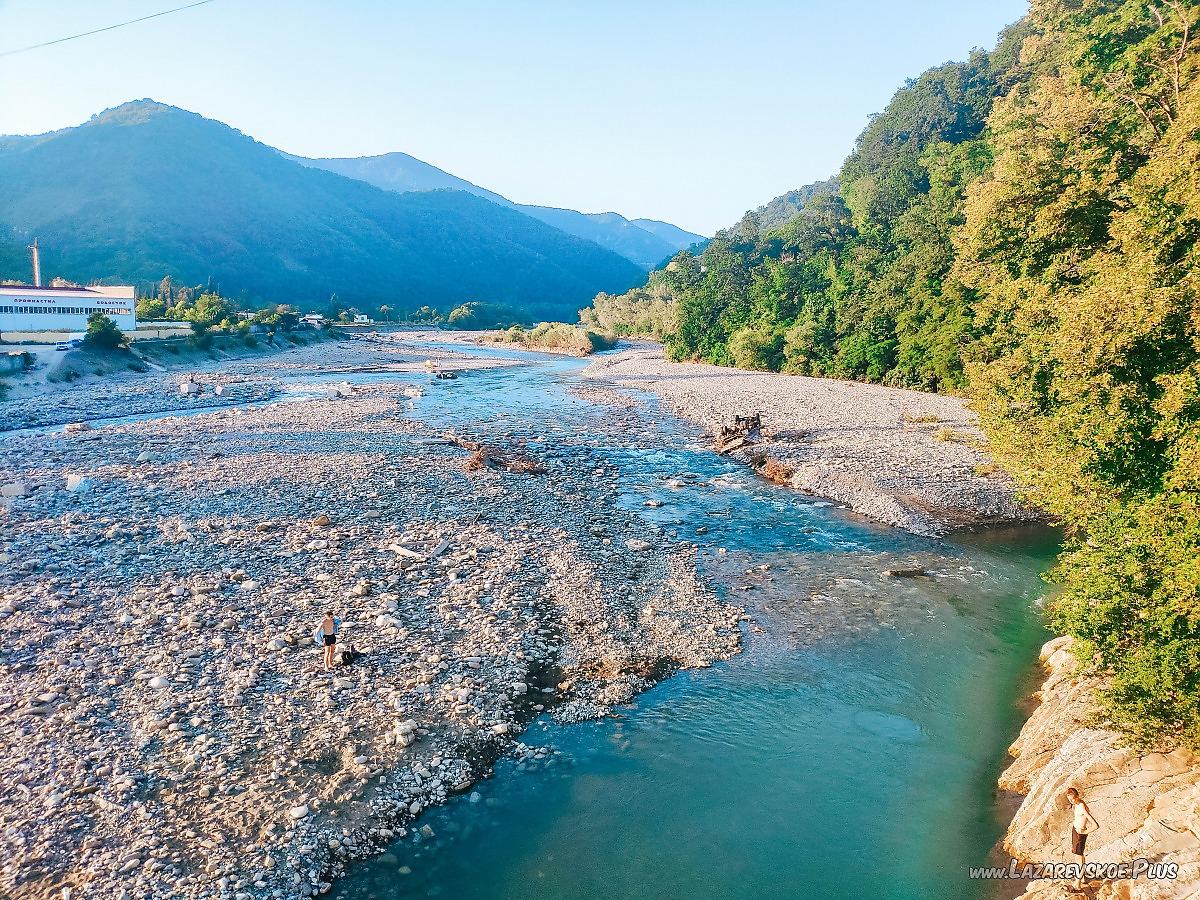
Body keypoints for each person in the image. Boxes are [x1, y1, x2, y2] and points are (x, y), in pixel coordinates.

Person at [1065, 787, 1099, 890]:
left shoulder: (1081, 807)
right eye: (1069, 799)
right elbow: (1076, 808)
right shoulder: (1078, 803)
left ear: (1077, 796)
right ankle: (1082, 878)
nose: (1071, 801)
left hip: (1079, 834)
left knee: (1079, 859)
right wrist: (1072, 804)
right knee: (1079, 857)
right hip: (1076, 831)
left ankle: (1077, 884)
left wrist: (1085, 832)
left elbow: (1095, 825)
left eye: (1073, 799)